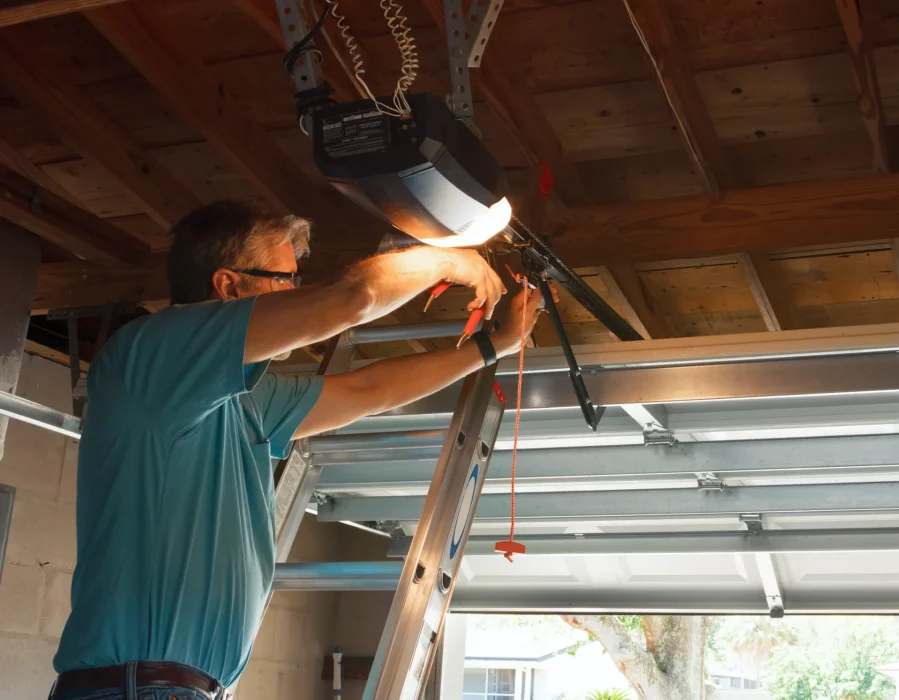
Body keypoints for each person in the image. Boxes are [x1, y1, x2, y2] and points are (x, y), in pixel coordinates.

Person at [48, 200, 547, 700]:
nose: (295, 293)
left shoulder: (244, 397)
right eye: (284, 279)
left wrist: (495, 345)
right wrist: (449, 259)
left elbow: (367, 391)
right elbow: (354, 298)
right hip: (139, 689)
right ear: (228, 286)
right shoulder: (152, 358)